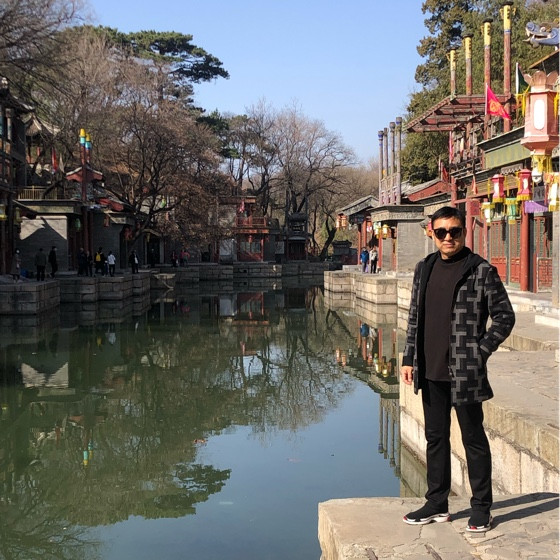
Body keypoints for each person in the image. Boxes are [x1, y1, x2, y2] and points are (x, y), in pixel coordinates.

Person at [400, 206, 515, 534]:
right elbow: (414, 317)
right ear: (431, 233)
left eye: (455, 231)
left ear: (465, 232)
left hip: (465, 372)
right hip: (429, 369)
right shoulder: (424, 268)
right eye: (441, 232)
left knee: (473, 438)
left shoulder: (481, 270)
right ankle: (437, 503)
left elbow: (504, 317)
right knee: (435, 438)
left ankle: (482, 508)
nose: (448, 237)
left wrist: (481, 351)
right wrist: (408, 358)